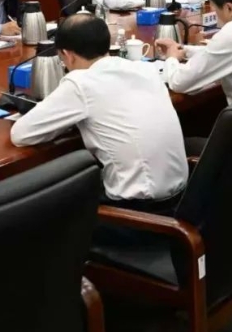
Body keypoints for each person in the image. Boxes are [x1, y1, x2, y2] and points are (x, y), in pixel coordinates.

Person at [11, 14, 188, 212]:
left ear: (67, 55)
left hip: (139, 213)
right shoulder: (144, 69)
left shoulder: (81, 82)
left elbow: (20, 134)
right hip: (184, 197)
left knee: (52, 203)